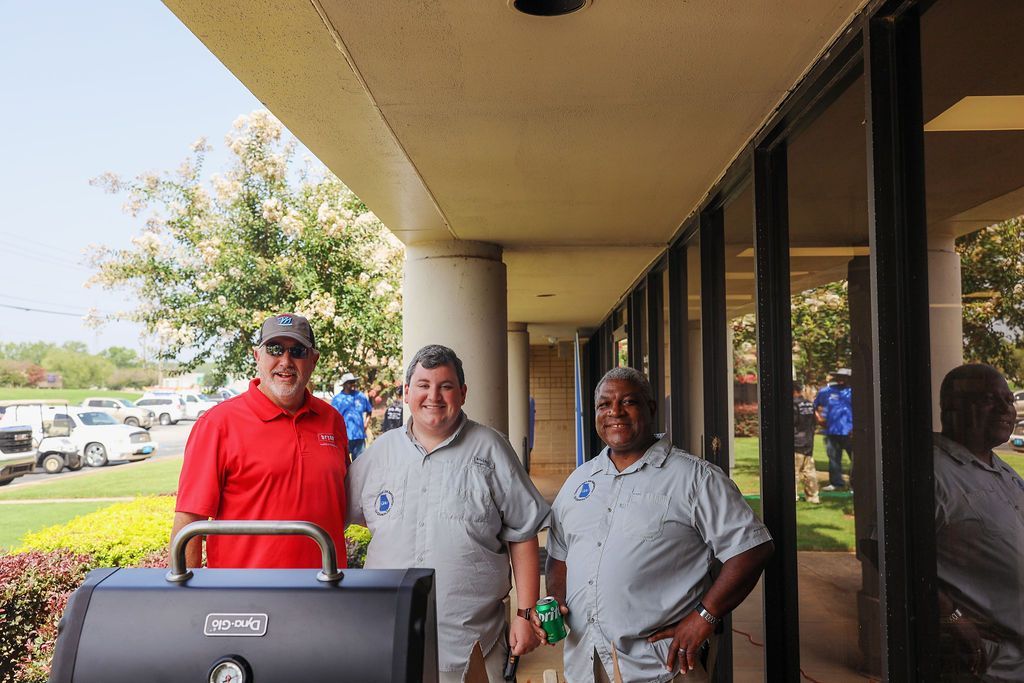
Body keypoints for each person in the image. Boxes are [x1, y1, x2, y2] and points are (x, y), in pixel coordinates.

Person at [545, 367, 774, 682]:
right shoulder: (579, 480)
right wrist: (556, 599)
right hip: (588, 662)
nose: (615, 412)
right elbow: (559, 554)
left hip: (663, 667)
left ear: (650, 409)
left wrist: (705, 616)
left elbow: (752, 549)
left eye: (628, 402)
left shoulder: (695, 478)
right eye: (604, 404)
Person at [347, 344, 549, 682]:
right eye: (423, 385)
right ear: (407, 391)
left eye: (446, 386)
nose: (433, 396)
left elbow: (523, 533)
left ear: (463, 393)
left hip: (472, 644)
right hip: (388, 635)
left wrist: (525, 615)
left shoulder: (491, 449)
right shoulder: (379, 453)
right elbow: (352, 516)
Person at [171, 313, 349, 569]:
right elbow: (189, 521)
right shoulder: (218, 424)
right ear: (257, 356)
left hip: (326, 587)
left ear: (314, 360)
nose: (285, 361)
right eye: (275, 349)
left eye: (297, 351)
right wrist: (188, 600)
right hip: (245, 597)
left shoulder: (332, 420)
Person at [934, 363, 1023, 680]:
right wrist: (952, 618)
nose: (1005, 409)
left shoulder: (1001, 469)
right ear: (952, 409)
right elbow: (889, 553)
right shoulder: (931, 470)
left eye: (1008, 400)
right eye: (989, 399)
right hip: (986, 662)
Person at [813, 368, 853, 491]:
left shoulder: (854, 391)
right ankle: (836, 483)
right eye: (839, 376)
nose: (841, 379)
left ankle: (856, 484)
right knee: (834, 459)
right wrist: (819, 419)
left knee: (856, 459)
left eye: (844, 377)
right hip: (832, 432)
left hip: (851, 432)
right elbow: (814, 406)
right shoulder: (825, 391)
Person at [331, 372, 373, 459]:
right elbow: (332, 418)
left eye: (353, 382)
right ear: (344, 385)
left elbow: (369, 410)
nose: (352, 384)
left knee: (360, 463)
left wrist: (366, 423)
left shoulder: (360, 396)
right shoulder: (337, 399)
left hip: (359, 436)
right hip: (344, 436)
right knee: (342, 463)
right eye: (350, 382)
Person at [793, 381, 820, 504]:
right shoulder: (810, 404)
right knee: (809, 471)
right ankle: (813, 497)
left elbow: (792, 423)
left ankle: (792, 495)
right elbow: (815, 422)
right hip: (809, 441)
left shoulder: (793, 405)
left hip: (796, 442)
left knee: (794, 471)